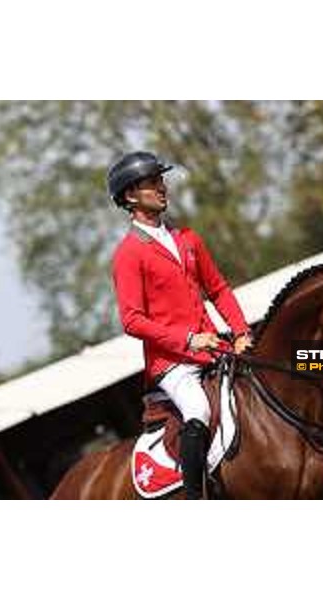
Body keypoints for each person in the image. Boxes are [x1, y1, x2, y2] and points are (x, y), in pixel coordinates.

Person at [108, 151, 252, 499]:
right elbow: (132, 320)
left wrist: (242, 332)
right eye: (153, 182)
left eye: (161, 180)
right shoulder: (128, 254)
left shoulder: (188, 238)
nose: (162, 188)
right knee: (199, 411)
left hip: (215, 347)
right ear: (131, 196)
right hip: (172, 364)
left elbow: (218, 289)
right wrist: (188, 340)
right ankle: (195, 497)